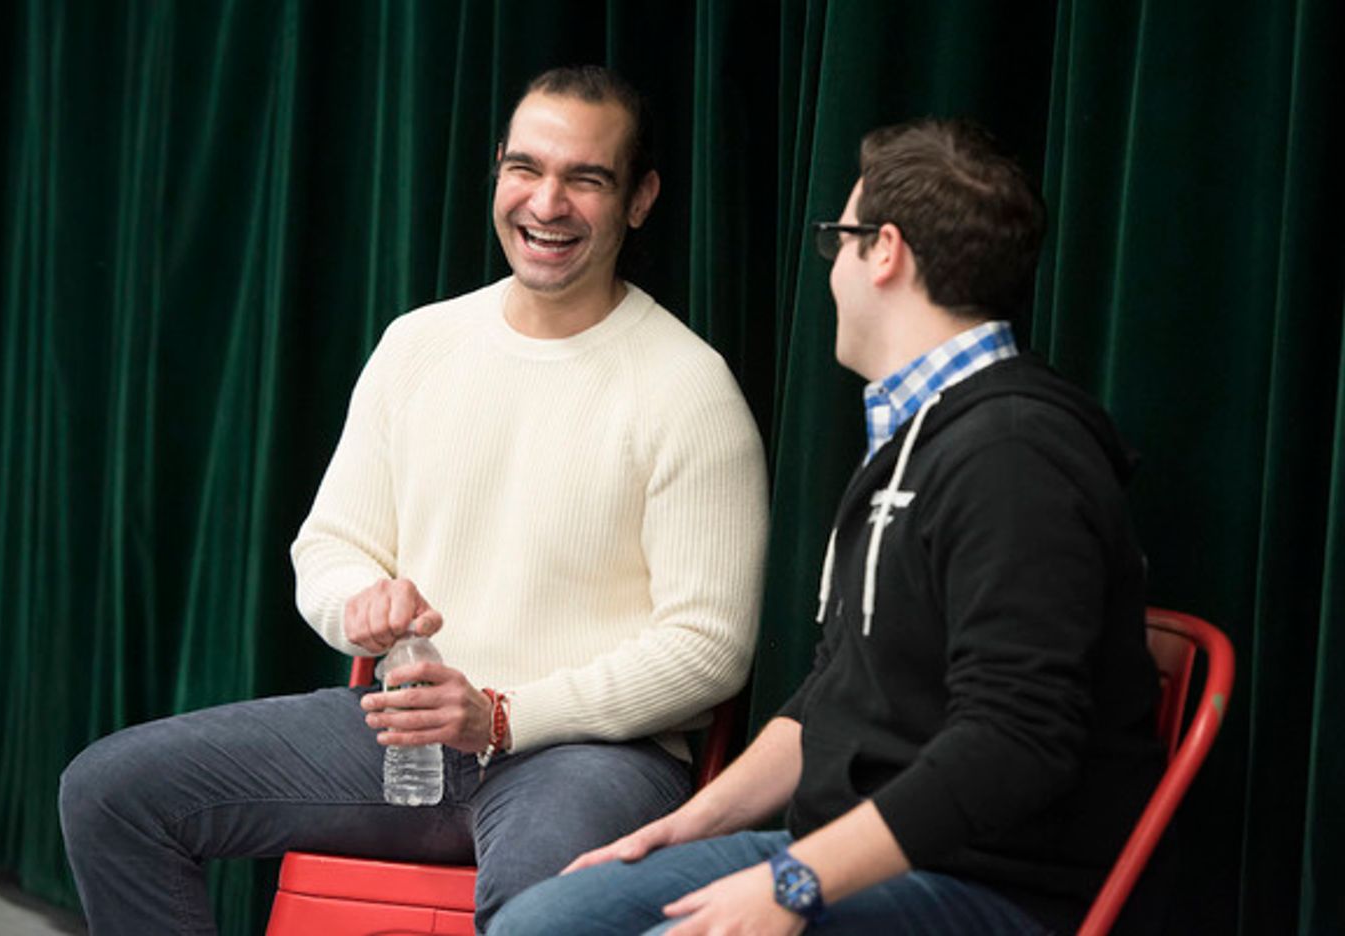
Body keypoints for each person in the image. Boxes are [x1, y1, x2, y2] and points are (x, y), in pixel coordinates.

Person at [59, 65, 769, 935]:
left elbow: (710, 648)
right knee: (110, 792)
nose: (546, 204)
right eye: (526, 169)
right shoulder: (420, 344)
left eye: (586, 179)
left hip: (590, 756)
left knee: (544, 912)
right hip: (404, 741)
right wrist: (359, 603)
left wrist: (505, 716)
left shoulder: (686, 386)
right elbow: (328, 547)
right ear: (497, 171)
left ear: (640, 198)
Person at [489, 118, 1169, 936]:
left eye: (837, 241)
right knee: (547, 921)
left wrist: (793, 885)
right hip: (836, 854)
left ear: (883, 252)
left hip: (981, 887)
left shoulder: (1015, 456)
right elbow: (836, 690)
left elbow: (1016, 742)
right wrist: (691, 823)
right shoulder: (917, 437)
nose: (833, 272)